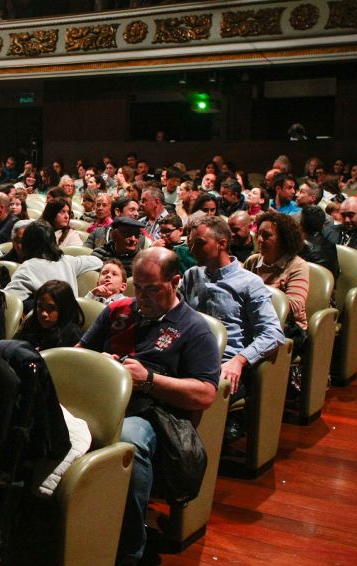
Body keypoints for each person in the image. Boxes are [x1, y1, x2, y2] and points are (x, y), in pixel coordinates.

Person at [78, 247, 220, 564]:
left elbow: (206, 394)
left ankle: (130, 549)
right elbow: (79, 352)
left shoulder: (193, 328)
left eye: (152, 288)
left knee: (127, 442)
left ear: (175, 282)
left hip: (153, 413)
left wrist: (149, 380)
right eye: (138, 287)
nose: (142, 295)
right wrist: (100, 364)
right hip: (100, 401)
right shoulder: (118, 311)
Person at [182, 215, 284, 437]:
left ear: (222, 244)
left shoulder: (249, 283)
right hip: (188, 356)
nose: (192, 250)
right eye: (190, 244)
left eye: (199, 244)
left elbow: (274, 334)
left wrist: (240, 360)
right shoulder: (192, 275)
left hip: (225, 363)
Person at [5, 221, 102, 312]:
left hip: (46, 323)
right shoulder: (67, 261)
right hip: (72, 318)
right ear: (53, 241)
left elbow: (8, 301)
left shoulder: (28, 267)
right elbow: (97, 261)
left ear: (27, 244)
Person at [244, 211, 310, 341]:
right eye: (259, 234)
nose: (260, 240)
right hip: (254, 321)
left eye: (267, 235)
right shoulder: (252, 261)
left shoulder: (298, 266)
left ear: (284, 239)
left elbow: (293, 307)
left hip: (286, 328)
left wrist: (252, 300)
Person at [15, 280, 84, 351]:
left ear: (64, 309)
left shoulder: (73, 336)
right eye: (40, 306)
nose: (43, 314)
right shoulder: (31, 325)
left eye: (51, 308)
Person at [299, 205, 339, 281]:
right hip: (330, 287)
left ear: (300, 225)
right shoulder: (331, 245)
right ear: (323, 225)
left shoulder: (302, 246)